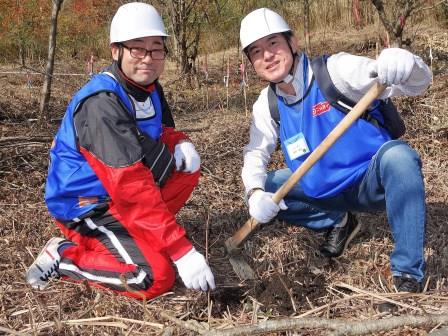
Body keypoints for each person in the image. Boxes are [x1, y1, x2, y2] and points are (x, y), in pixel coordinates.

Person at [26, 2, 215, 299]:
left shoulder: (149, 88)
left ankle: (143, 235)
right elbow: (130, 184)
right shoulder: (101, 103)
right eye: (137, 49)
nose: (148, 59)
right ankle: (64, 256)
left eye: (156, 49)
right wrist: (180, 250)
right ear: (116, 51)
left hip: (115, 193)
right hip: (87, 204)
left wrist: (179, 140)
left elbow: (156, 131)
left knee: (185, 169)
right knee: (153, 277)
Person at [239, 8, 431, 298]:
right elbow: (255, 153)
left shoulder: (334, 72)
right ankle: (338, 220)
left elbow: (416, 84)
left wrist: (408, 63)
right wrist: (254, 192)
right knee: (268, 184)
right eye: (256, 51)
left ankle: (407, 272)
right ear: (251, 62)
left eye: (273, 43)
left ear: (293, 42)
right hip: (324, 192)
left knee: (399, 157)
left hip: (368, 182)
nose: (266, 56)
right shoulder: (267, 105)